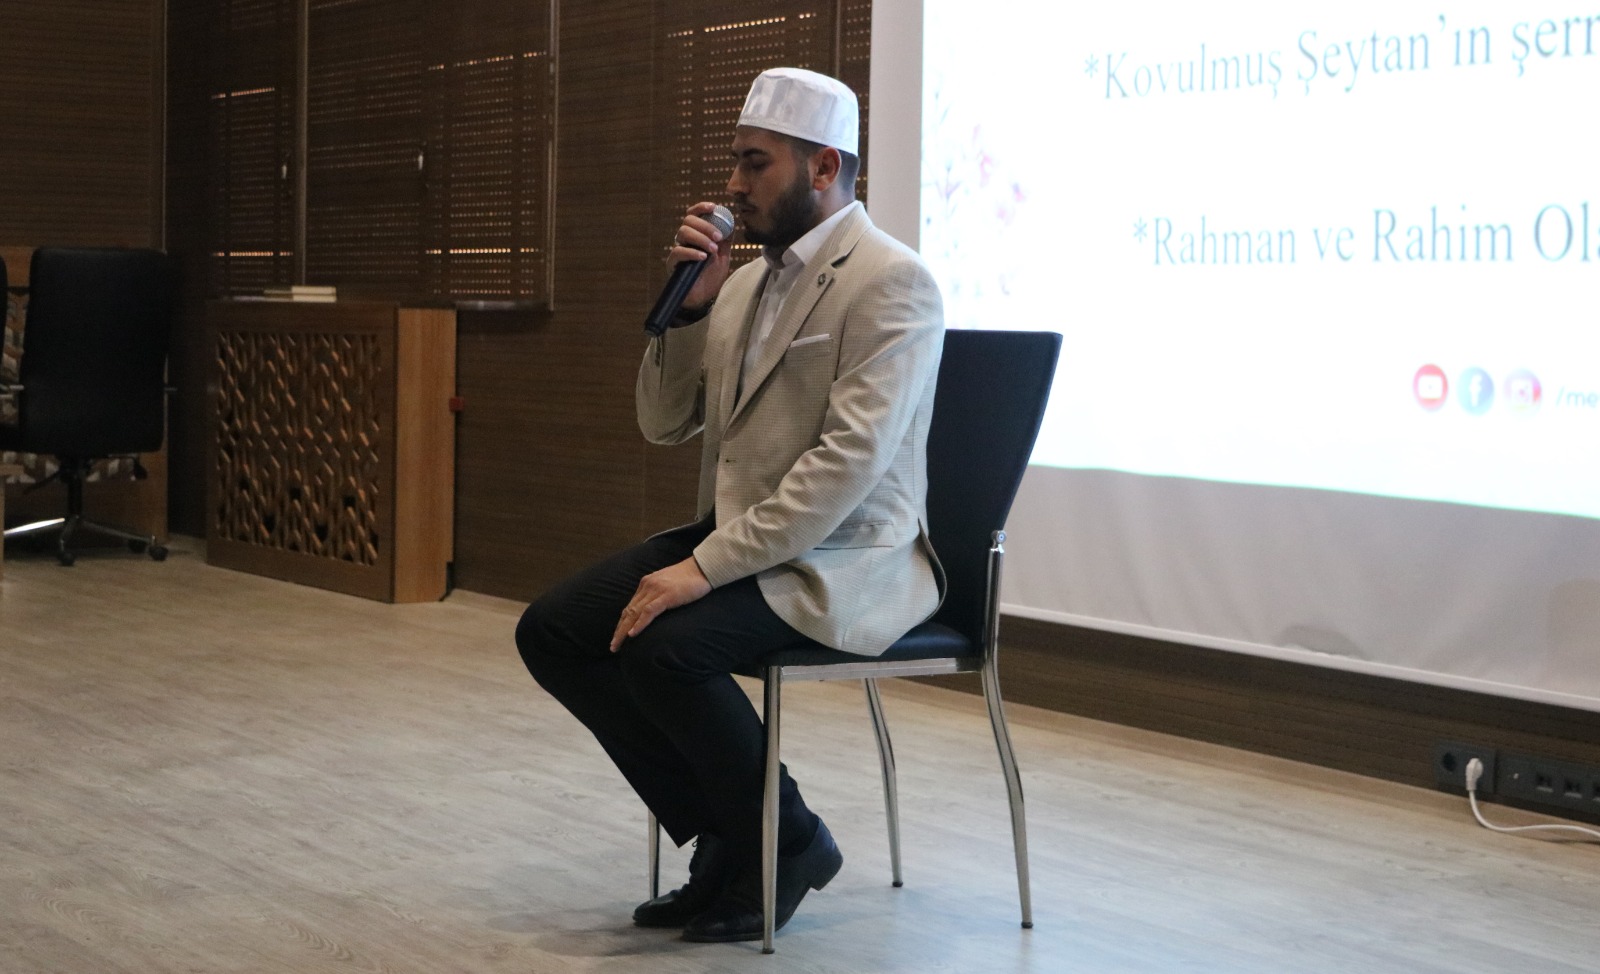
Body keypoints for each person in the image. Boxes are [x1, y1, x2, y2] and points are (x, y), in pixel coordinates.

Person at [515, 66, 946, 944]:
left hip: (846, 556)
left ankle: (776, 845)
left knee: (667, 648)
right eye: (735, 162)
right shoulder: (744, 284)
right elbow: (664, 423)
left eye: (756, 163)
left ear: (823, 166)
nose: (733, 185)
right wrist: (688, 312)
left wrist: (701, 571)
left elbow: (847, 466)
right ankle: (744, 832)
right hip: (748, 535)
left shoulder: (891, 281)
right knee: (554, 631)